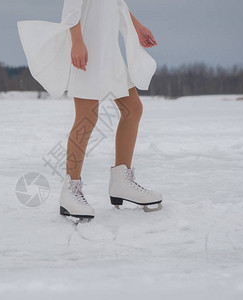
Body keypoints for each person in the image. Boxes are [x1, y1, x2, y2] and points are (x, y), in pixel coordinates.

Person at [18, 0, 163, 220]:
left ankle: (121, 182)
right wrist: (77, 41)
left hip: (110, 54)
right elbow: (72, 7)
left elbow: (116, 4)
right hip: (88, 50)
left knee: (133, 109)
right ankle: (71, 190)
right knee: (87, 118)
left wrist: (137, 26)